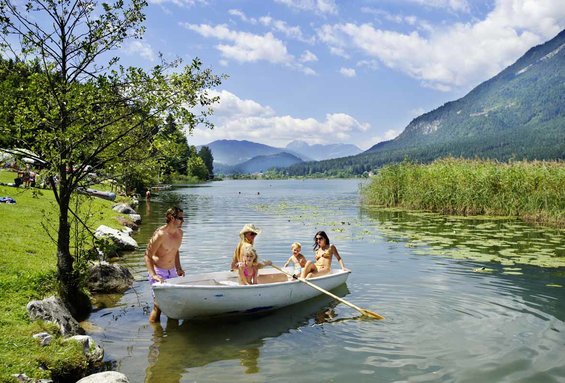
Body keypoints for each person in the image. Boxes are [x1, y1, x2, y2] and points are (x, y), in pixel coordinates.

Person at [144, 206, 186, 323]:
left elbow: (175, 250)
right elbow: (147, 255)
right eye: (180, 218)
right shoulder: (160, 235)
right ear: (172, 218)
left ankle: (172, 337)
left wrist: (179, 268)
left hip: (172, 271)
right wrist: (153, 275)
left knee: (174, 306)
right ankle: (155, 336)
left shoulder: (180, 233)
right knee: (158, 306)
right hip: (159, 272)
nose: (183, 220)